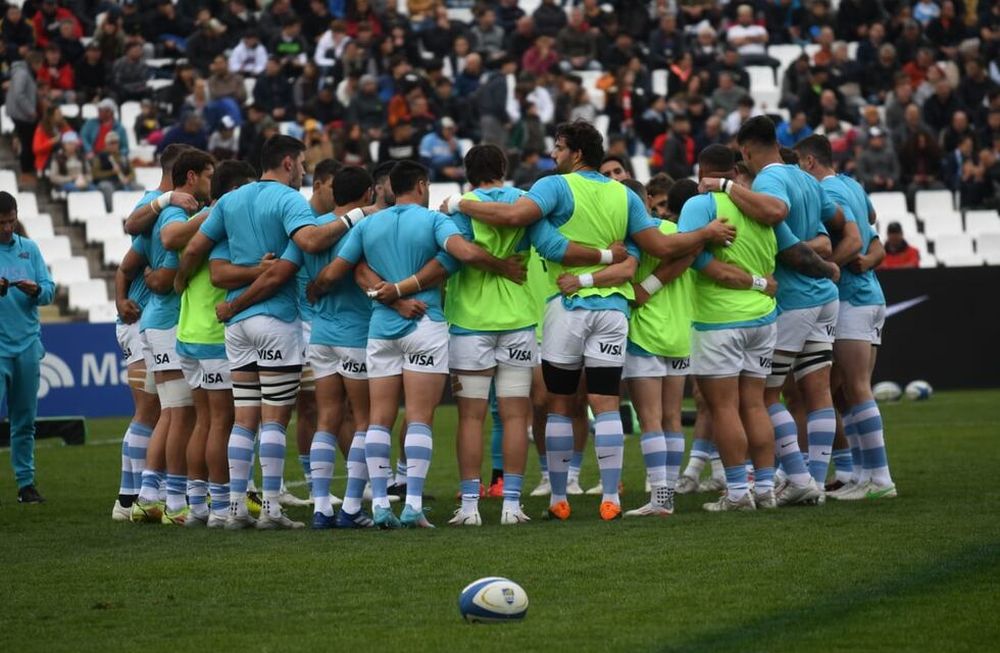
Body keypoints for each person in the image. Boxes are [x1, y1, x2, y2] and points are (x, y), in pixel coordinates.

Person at [444, 120, 736, 521]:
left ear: (576, 153)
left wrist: (461, 204)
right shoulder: (623, 194)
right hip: (614, 310)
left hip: (566, 306)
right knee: (607, 403)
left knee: (561, 404)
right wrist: (705, 232)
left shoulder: (553, 186)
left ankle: (559, 499)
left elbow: (518, 220)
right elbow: (663, 245)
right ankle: (611, 498)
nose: (553, 154)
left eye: (559, 147)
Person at [297, 160, 529, 528]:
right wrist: (502, 266)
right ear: (421, 185)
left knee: (378, 419)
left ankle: (378, 508)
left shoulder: (371, 223)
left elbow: (345, 270)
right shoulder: (435, 221)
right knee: (420, 417)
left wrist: (322, 286)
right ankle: (413, 505)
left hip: (380, 329)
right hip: (424, 324)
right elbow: (463, 254)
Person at [174, 135, 357, 530]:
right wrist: (356, 216)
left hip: (237, 328)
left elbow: (192, 251)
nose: (306, 172)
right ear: (288, 163)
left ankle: (236, 508)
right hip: (274, 318)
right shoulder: (289, 201)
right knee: (273, 420)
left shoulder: (229, 201)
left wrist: (180, 283)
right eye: (304, 164)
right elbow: (307, 243)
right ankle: (270, 509)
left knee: (244, 418)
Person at [699, 116, 843, 507]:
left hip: (794, 298)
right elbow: (836, 227)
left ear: (744, 150)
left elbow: (776, 217)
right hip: (823, 297)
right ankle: (811, 477)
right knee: (817, 393)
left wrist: (728, 186)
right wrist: (827, 263)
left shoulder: (768, 182)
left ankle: (798, 478)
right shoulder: (806, 179)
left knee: (763, 397)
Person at [793, 135, 896, 501]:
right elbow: (870, 225)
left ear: (808, 162)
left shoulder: (829, 194)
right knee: (850, 392)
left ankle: (879, 479)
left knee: (855, 389)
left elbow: (854, 240)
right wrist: (868, 258)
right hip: (869, 296)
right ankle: (863, 475)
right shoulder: (853, 185)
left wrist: (827, 267)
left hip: (853, 298)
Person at [131, 149, 216, 526]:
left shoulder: (161, 212)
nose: (212, 184)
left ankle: (151, 494)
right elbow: (165, 280)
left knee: (171, 412)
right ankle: (176, 500)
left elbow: (131, 260)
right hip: (166, 322)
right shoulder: (174, 215)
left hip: (156, 322)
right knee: (181, 414)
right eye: (209, 176)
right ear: (193, 177)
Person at [113, 144, 195, 522]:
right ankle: (131, 498)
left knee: (160, 407)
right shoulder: (156, 204)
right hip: (150, 320)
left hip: (148, 319)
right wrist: (123, 301)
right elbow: (131, 229)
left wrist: (120, 297)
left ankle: (142, 494)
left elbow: (126, 264)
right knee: (156, 409)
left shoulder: (167, 207)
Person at [177, 159, 259, 527]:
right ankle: (222, 507)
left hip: (188, 331)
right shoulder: (223, 223)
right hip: (213, 334)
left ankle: (197, 506)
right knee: (221, 422)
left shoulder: (201, 223)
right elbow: (209, 264)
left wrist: (179, 279)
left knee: (203, 421)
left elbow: (188, 253)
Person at [0, 192, 54, 504]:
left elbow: (49, 290)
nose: (7, 228)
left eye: (11, 221)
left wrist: (36, 291)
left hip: (27, 345)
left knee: (24, 420)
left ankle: (26, 483)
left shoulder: (29, 249)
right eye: (1, 223)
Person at [6, 49, 43, 186]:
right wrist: (30, 110)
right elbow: (19, 94)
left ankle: (28, 169)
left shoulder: (27, 72)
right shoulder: (22, 73)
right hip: (21, 114)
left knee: (28, 140)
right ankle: (25, 172)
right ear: (34, 62)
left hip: (22, 113)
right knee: (27, 142)